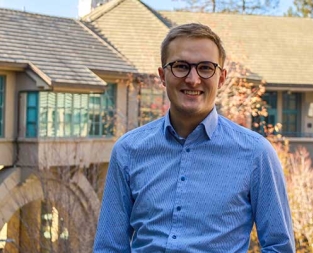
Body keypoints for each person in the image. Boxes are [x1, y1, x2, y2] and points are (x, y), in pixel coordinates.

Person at [93, 23, 295, 253]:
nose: (192, 79)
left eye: (205, 68)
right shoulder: (128, 151)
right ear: (162, 75)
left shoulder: (256, 153)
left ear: (221, 78)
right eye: (180, 66)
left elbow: (280, 247)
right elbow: (109, 247)